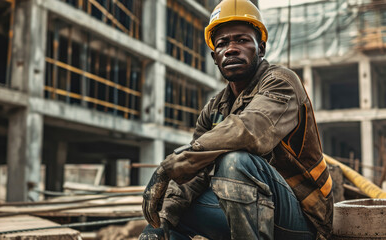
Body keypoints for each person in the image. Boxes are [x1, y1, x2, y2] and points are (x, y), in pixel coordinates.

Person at [140, 0, 333, 239]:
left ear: (260, 49)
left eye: (242, 40)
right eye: (222, 43)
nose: (231, 49)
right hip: (252, 211)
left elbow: (250, 130)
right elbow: (196, 171)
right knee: (170, 219)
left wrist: (170, 165)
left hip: (302, 218)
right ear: (214, 57)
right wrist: (162, 221)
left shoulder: (281, 82)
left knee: (236, 161)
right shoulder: (214, 108)